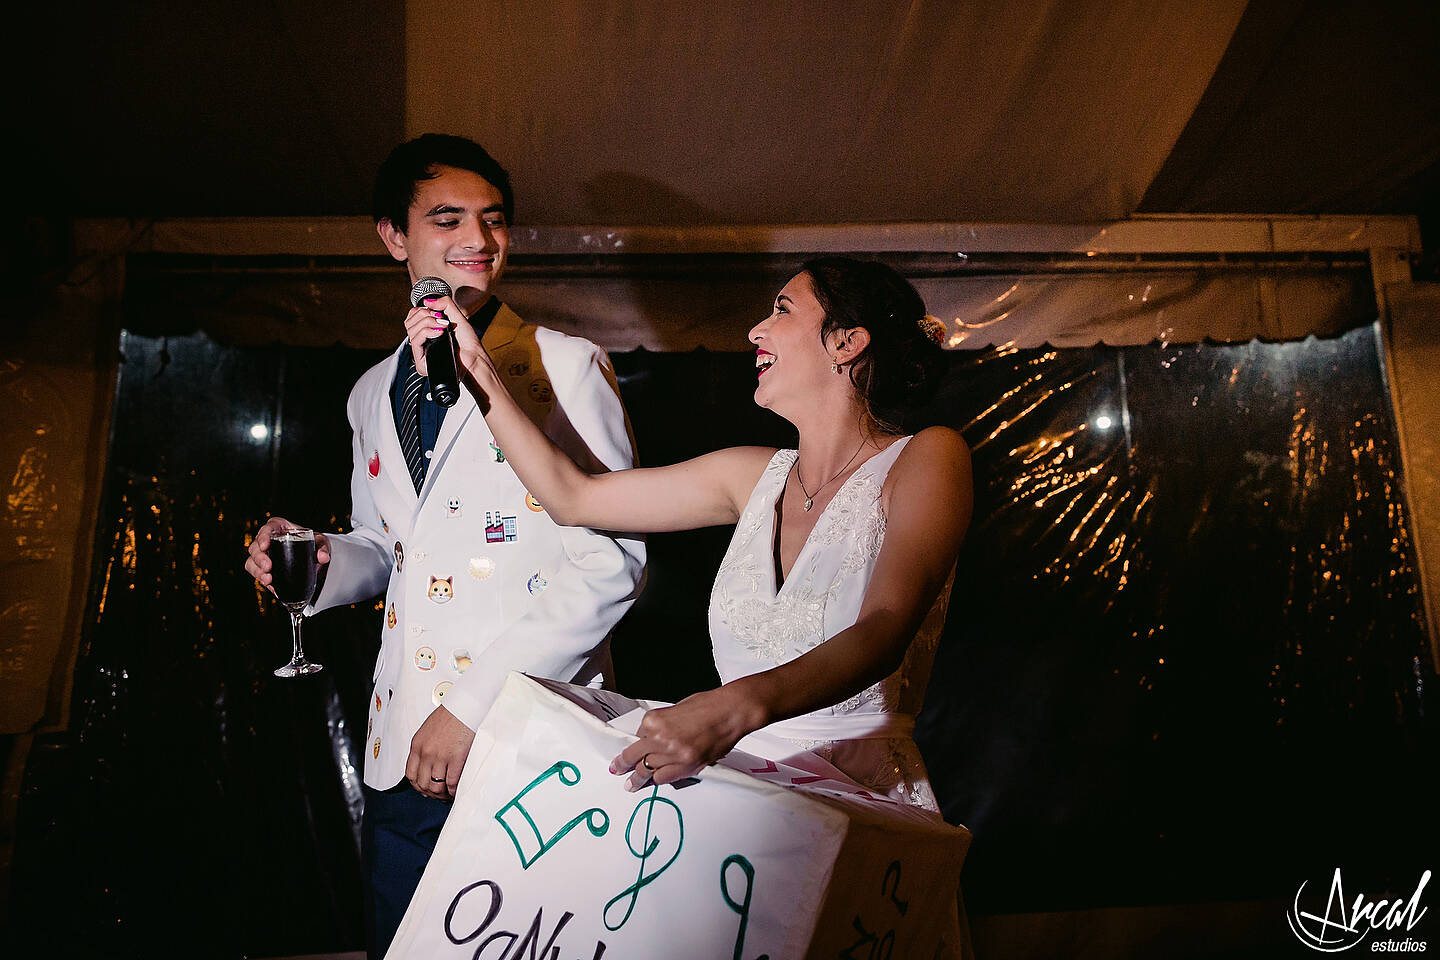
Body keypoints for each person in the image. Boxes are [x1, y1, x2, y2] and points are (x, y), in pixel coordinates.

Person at [243, 133, 645, 959]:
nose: (479, 239)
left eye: (493, 219)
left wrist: (467, 710)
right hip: (402, 750)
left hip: (527, 744)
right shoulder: (370, 391)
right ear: (394, 236)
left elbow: (612, 562)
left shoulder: (564, 365)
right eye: (448, 219)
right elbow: (387, 548)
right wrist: (320, 559)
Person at [413, 254, 971, 809]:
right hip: (746, 796)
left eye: (781, 310)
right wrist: (477, 370)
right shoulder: (748, 476)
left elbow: (883, 627)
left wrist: (730, 708)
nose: (755, 331)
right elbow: (572, 497)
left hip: (860, 796)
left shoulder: (927, 457)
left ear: (846, 343)